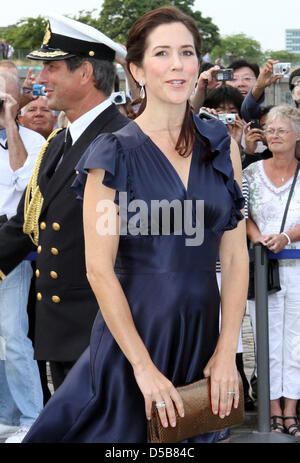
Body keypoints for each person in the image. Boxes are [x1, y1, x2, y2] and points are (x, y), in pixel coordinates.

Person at [23, 5, 248, 443]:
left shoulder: (221, 147)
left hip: (201, 338)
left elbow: (236, 257)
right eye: (162, 53)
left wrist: (226, 353)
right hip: (132, 340)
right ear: (137, 69)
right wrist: (143, 369)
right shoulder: (112, 153)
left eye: (187, 52)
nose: (178, 64)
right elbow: (99, 270)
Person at [0, 14, 129, 439]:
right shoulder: (59, 142)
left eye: (52, 67)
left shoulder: (127, 139)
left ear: (86, 72)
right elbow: (27, 226)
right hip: (62, 327)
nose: (40, 77)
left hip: (108, 328)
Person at [243, 105, 300, 437]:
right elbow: (243, 213)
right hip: (263, 269)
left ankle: (291, 407)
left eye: (281, 130)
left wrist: (286, 236)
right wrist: (257, 238)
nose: (274, 135)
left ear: (296, 136)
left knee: (296, 340)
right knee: (266, 338)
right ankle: (272, 408)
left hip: (296, 267)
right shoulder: (251, 172)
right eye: (270, 130)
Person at [0, 71, 45, 442]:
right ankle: (5, 415)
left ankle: (33, 418)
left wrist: (9, 124)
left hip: (9, 248)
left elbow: (22, 179)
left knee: (14, 336)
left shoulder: (32, 140)